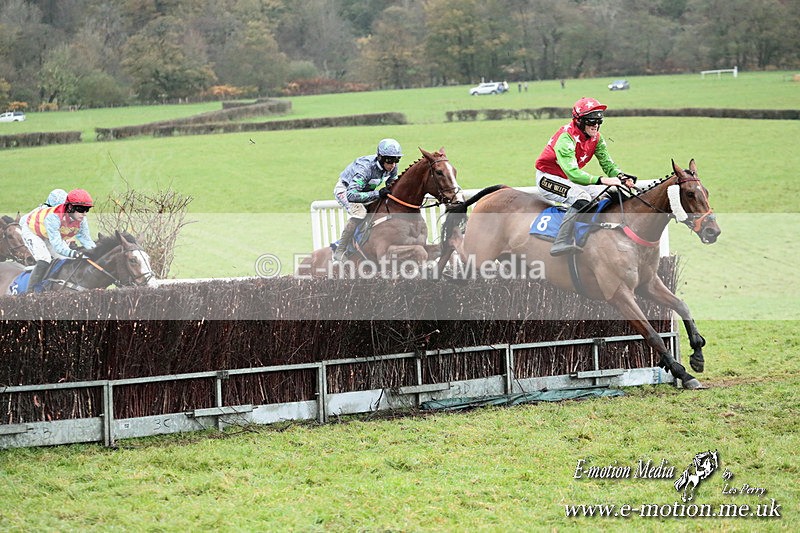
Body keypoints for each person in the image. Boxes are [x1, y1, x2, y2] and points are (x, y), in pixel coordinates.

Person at [534, 97, 636, 256]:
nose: (596, 125)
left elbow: (608, 164)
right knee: (581, 198)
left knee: (605, 196)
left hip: (568, 178)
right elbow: (573, 174)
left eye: (599, 121)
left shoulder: (597, 138)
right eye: (591, 121)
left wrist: (621, 177)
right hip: (548, 178)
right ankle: (560, 241)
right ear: (579, 121)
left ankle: (592, 235)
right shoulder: (566, 139)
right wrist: (602, 180)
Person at [331, 138, 402, 262]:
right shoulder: (365, 168)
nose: (393, 165)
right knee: (360, 213)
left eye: (397, 160)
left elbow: (392, 184)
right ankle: (340, 250)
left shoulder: (392, 167)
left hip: (364, 192)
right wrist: (377, 193)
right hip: (346, 190)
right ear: (380, 157)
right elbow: (352, 195)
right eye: (390, 160)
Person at [20, 188, 97, 289]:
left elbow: (86, 239)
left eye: (86, 210)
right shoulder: (54, 217)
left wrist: (97, 251)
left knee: (66, 259)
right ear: (70, 207)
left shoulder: (81, 219)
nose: (85, 213)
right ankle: (30, 293)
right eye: (81, 210)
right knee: (45, 258)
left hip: (49, 233)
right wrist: (74, 253)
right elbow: (58, 247)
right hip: (32, 231)